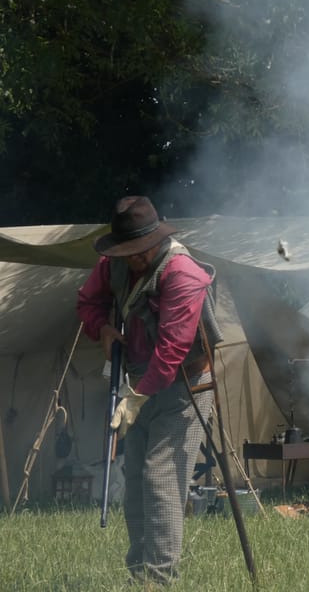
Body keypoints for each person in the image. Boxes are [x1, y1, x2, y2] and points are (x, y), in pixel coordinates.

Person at [77, 196, 222, 584]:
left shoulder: (182, 273)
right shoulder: (115, 264)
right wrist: (103, 330)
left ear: (154, 241)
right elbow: (88, 302)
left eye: (136, 251)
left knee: (160, 478)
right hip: (140, 381)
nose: (129, 258)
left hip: (186, 386)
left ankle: (160, 580)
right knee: (138, 480)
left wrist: (137, 396)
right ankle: (139, 574)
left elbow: (173, 349)